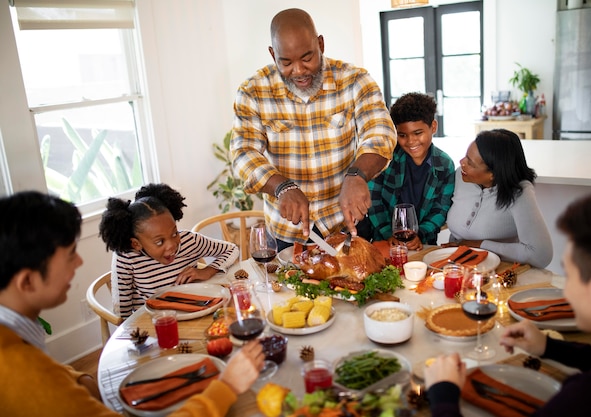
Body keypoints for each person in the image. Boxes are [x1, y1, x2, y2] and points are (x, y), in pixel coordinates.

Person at [0, 191, 265, 417]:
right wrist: (226, 387)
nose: (79, 263)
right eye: (71, 256)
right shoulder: (23, 375)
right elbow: (123, 315)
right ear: (27, 281)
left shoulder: (21, 348)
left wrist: (78, 379)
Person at [425, 187, 591, 416]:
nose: (566, 290)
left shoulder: (588, 398)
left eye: (570, 277)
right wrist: (551, 347)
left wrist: (443, 394)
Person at [230, 8, 396, 251]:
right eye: (286, 62)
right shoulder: (252, 91)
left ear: (321, 44)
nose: (298, 71)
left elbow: (380, 134)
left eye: (307, 58)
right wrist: (281, 186)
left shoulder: (355, 80)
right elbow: (243, 154)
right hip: (287, 234)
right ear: (272, 54)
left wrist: (356, 175)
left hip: (346, 226)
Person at [99, 183, 239, 319]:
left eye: (174, 233)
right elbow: (122, 312)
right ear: (136, 244)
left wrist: (207, 270)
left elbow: (231, 249)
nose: (172, 245)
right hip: (155, 326)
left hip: (198, 315)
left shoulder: (188, 241)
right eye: (160, 241)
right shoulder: (126, 258)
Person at [359, 92, 455, 250]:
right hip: (385, 242)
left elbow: (441, 209)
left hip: (423, 244)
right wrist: (388, 233)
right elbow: (373, 201)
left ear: (433, 127)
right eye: (402, 135)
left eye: (418, 133)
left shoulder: (445, 165)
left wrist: (420, 235)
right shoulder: (385, 158)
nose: (411, 141)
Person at [444, 129, 552, 268]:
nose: (461, 162)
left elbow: (541, 255)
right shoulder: (461, 175)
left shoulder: (520, 193)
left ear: (493, 174)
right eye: (466, 156)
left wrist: (479, 245)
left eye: (470, 163)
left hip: (499, 272)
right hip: (455, 266)